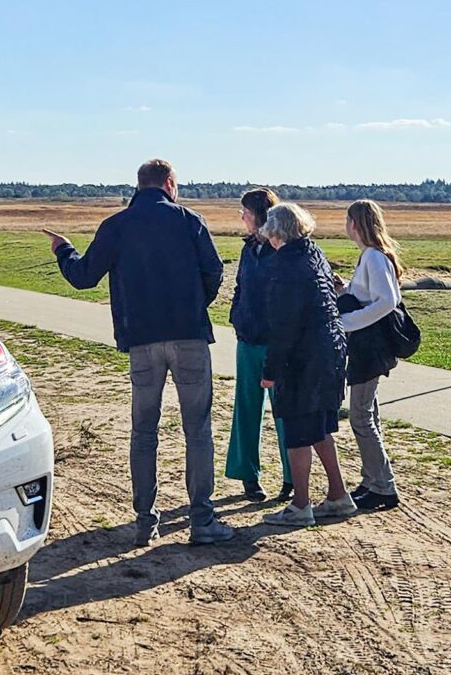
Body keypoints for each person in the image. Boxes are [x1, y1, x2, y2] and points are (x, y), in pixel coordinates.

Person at [43, 160, 234, 547]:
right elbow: (214, 271)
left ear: (139, 184)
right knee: (197, 429)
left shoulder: (117, 225)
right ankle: (202, 519)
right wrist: (194, 304)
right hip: (189, 336)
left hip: (142, 341)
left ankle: (145, 522)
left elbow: (83, 277)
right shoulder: (190, 220)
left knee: (144, 431)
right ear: (169, 184)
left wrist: (63, 250)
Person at [255, 203, 355, 526]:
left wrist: (270, 371)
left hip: (303, 361)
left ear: (277, 234)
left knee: (298, 432)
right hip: (330, 353)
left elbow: (284, 325)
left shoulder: (285, 265)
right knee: (320, 428)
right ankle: (338, 495)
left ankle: (300, 505)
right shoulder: (315, 254)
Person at [224, 187, 294, 504]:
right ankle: (247, 475)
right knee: (246, 407)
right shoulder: (248, 248)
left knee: (284, 411)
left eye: (246, 212)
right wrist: (237, 316)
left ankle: (292, 477)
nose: (242, 217)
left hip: (277, 343)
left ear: (260, 215)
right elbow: (240, 286)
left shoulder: (282, 250)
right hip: (247, 340)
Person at [337, 199, 404, 512]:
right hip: (366, 345)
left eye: (347, 220)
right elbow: (368, 294)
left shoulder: (374, 257)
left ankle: (385, 487)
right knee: (369, 414)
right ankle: (372, 481)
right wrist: (345, 289)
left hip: (370, 345)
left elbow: (386, 301)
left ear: (355, 224)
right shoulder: (371, 256)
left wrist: (347, 321)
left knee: (361, 417)